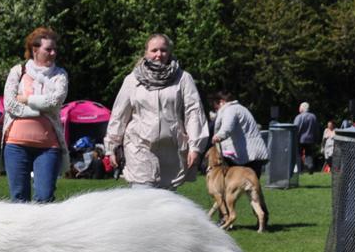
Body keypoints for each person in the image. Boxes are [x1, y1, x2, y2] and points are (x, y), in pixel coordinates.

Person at [104, 33, 208, 189]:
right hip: (139, 147)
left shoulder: (183, 78)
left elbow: (194, 113)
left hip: (171, 151)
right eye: (154, 50)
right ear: (146, 53)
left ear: (169, 52)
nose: (159, 54)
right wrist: (112, 146)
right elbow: (119, 115)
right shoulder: (132, 80)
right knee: (143, 198)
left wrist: (195, 147)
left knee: (166, 205)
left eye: (163, 50)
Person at [2, 27, 68, 202]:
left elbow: (55, 102)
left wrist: (25, 98)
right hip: (15, 145)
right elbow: (9, 104)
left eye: (55, 49)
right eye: (48, 49)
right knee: (18, 200)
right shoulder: (18, 71)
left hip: (48, 147)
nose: (53, 53)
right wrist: (39, 109)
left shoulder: (59, 75)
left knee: (45, 198)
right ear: (35, 49)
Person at [210, 91, 269, 178]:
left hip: (246, 157)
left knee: (233, 186)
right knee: (253, 189)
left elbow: (227, 127)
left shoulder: (230, 109)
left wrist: (218, 136)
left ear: (222, 102)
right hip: (254, 155)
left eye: (216, 107)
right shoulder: (241, 108)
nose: (217, 110)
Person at [294, 101, 320, 174]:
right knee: (309, 153)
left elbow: (296, 128)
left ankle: (300, 170)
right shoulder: (313, 116)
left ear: (302, 108)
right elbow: (316, 129)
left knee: (299, 154)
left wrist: (295, 138)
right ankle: (310, 165)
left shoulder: (299, 117)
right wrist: (316, 138)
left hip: (300, 139)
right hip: (311, 139)